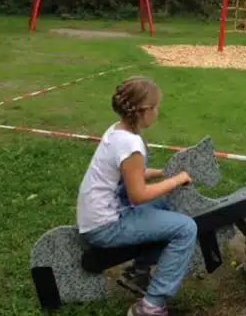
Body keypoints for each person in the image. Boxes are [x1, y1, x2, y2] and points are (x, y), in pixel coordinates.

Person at [76, 76, 197, 316]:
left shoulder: (117, 130)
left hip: (101, 213)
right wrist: (174, 180)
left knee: (168, 203)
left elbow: (133, 173)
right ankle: (151, 305)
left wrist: (166, 172)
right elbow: (138, 195)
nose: (158, 111)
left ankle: (138, 272)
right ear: (144, 111)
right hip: (106, 224)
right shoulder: (131, 145)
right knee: (186, 229)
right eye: (156, 107)